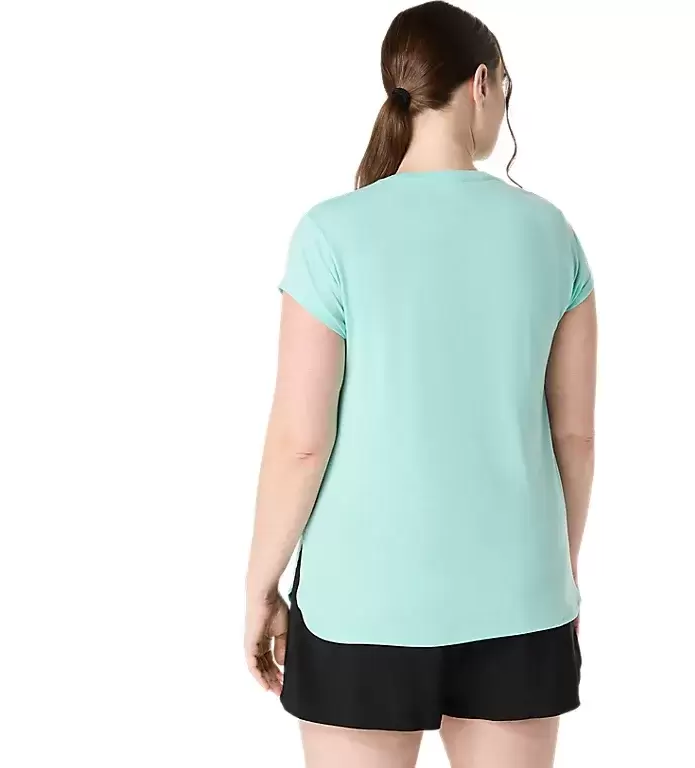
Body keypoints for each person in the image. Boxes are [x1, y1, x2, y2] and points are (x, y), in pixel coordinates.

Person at [244, 2, 597, 766]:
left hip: (358, 610)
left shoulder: (331, 233)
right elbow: (572, 436)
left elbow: (302, 442)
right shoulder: (553, 234)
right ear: (482, 84)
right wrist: (557, 577)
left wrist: (260, 585)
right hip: (519, 604)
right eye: (506, 90)